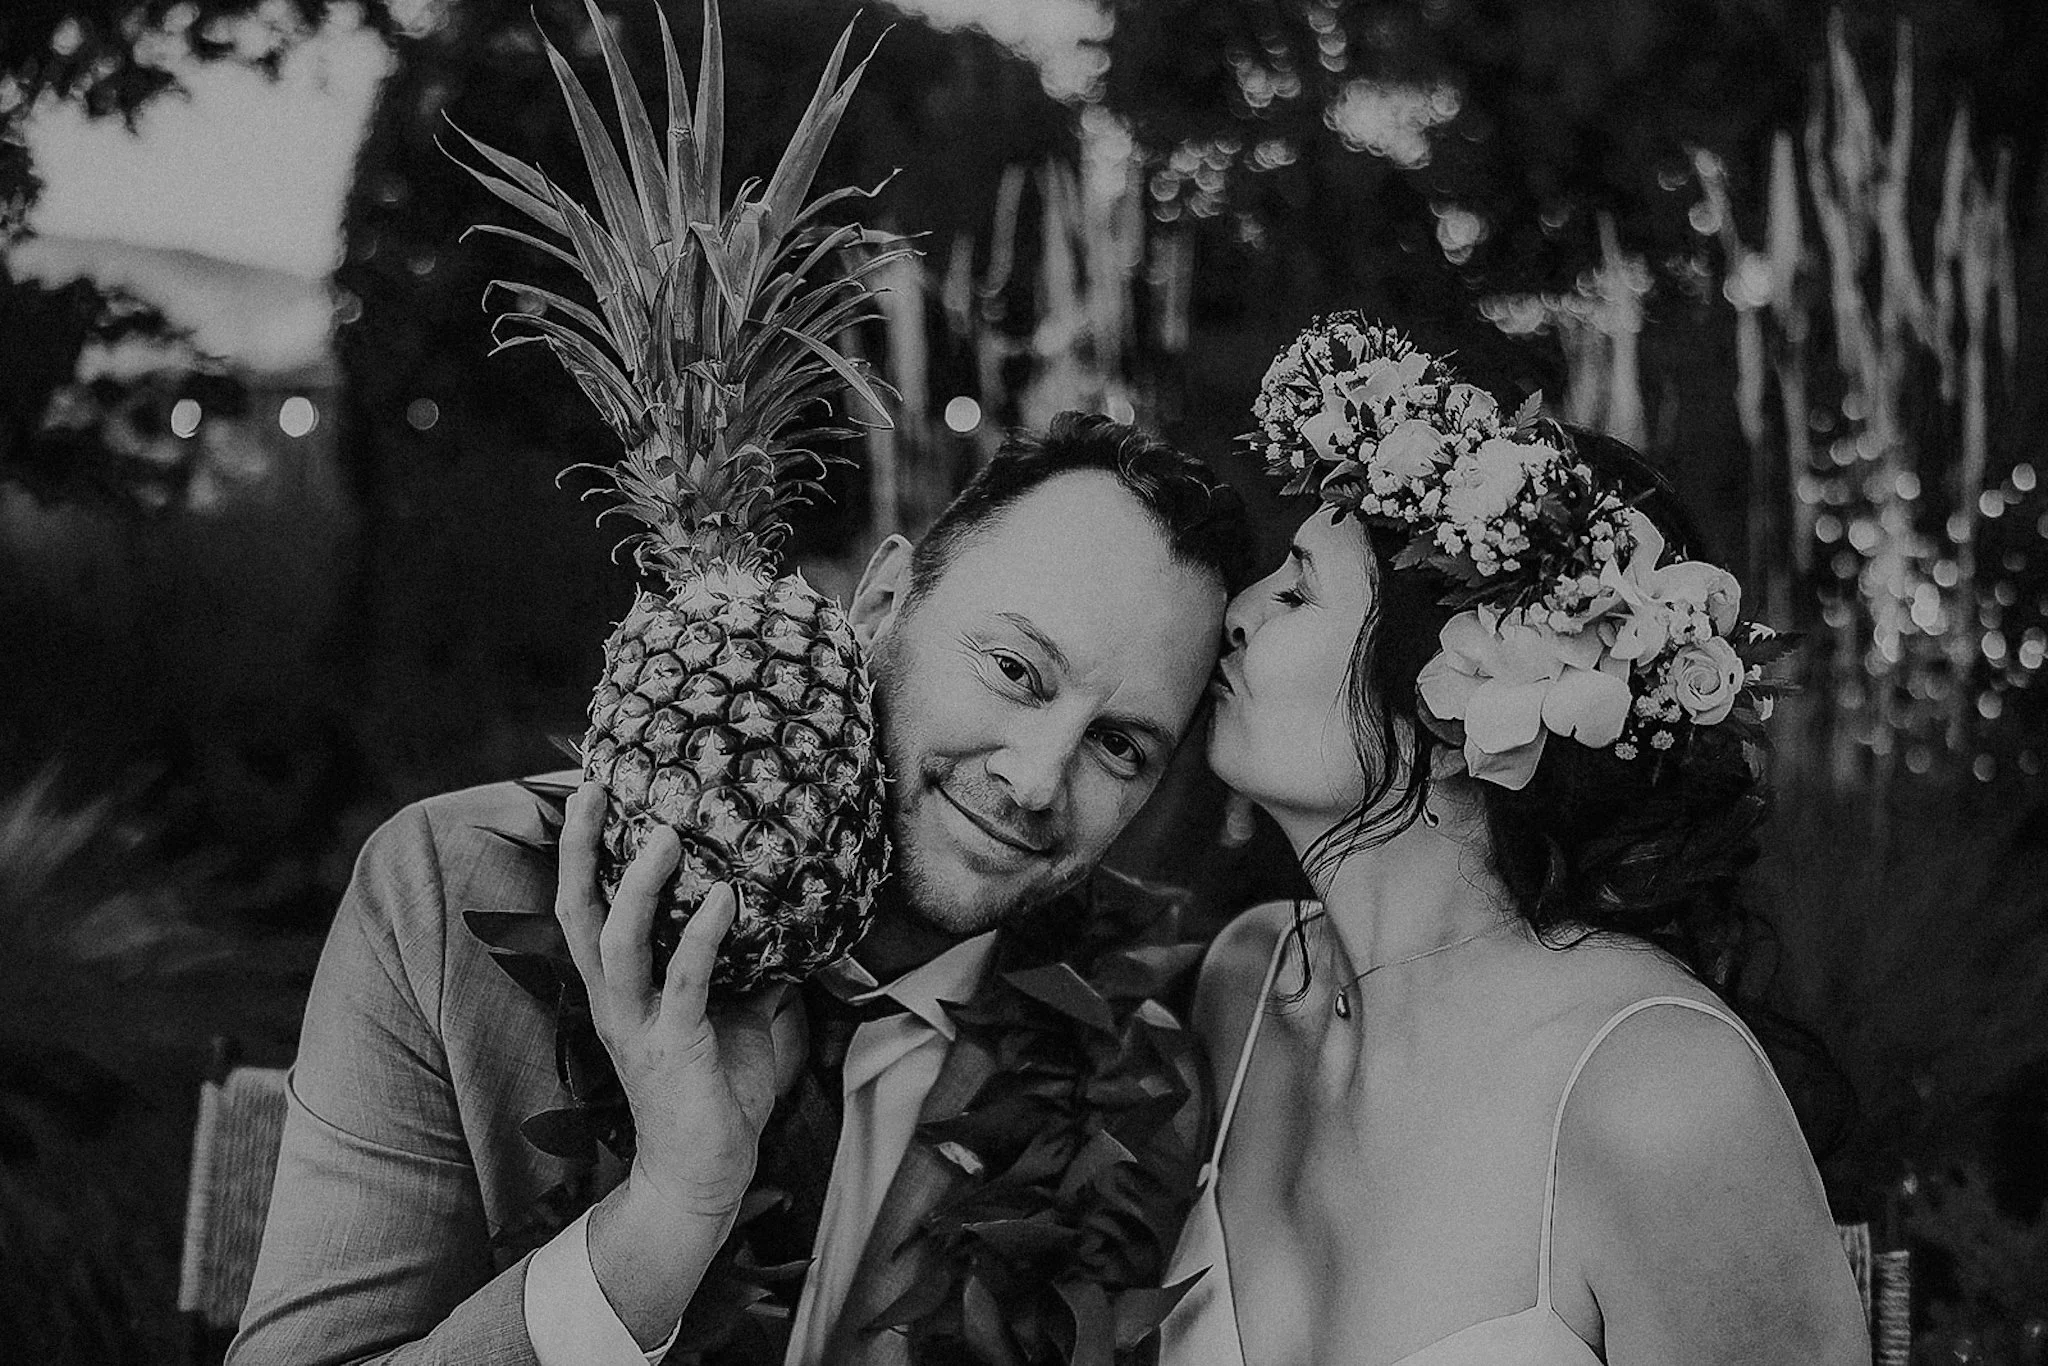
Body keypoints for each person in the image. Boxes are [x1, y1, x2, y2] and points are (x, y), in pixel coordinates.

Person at [230, 411, 1248, 1366]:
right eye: (1017, 671)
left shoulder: (1134, 1088)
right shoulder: (445, 895)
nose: (1035, 779)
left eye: (1118, 746)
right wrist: (659, 1223)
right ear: (884, 604)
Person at [1158, 316, 1870, 1366]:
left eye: (1300, 588)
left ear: (1459, 719)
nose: (1239, 612)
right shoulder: (1250, 989)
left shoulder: (1655, 1092)